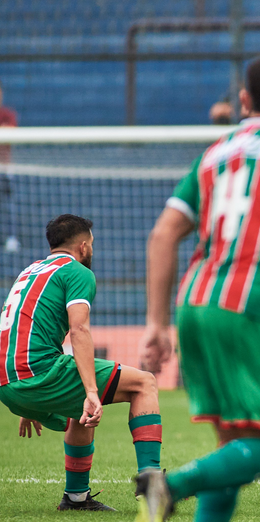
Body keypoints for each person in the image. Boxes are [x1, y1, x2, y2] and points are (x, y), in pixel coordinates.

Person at [136, 55, 260, 522]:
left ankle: (168, 498)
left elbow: (162, 235)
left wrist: (156, 324)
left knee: (233, 446)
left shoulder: (212, 154)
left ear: (244, 100)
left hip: (194, 304)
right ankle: (168, 486)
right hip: (247, 307)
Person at [0, 214, 162, 511]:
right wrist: (91, 390)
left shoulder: (30, 271)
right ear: (84, 246)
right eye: (92, 245)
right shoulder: (76, 272)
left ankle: (76, 498)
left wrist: (26, 397)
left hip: (8, 379)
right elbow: (79, 330)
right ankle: (153, 487)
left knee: (83, 410)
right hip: (36, 373)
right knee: (144, 383)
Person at [0, 79, 20, 253]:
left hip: (5, 169)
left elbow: (10, 134)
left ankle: (11, 237)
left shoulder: (8, 115)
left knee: (9, 204)